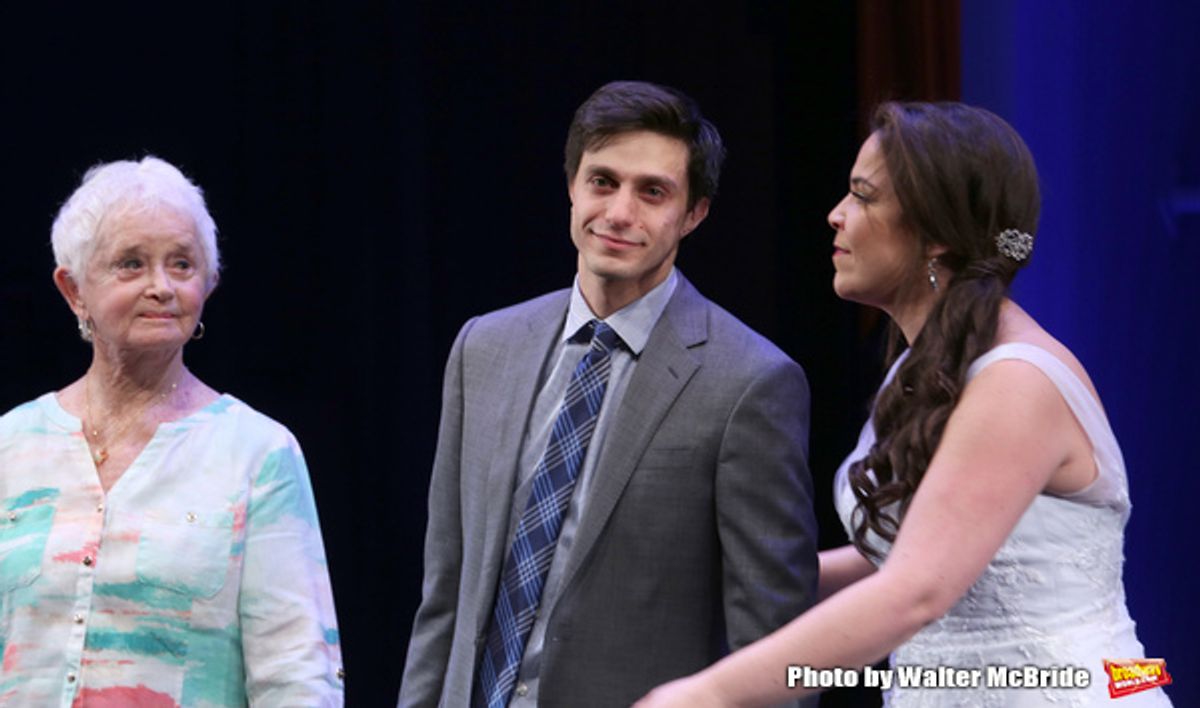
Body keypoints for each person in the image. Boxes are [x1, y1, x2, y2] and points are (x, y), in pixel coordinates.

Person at [636, 102, 1173, 706]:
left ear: (936, 234)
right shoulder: (926, 368)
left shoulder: (1017, 383)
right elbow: (908, 557)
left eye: (863, 197)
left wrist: (706, 694)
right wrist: (742, 576)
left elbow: (915, 590)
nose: (836, 216)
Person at [398, 80, 818, 708]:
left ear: (695, 213)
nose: (620, 213)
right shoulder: (483, 348)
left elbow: (774, 643)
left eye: (653, 192)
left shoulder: (750, 382)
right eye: (602, 181)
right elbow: (446, 594)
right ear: (572, 186)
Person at [0, 157, 344, 706]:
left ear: (208, 283)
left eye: (182, 265)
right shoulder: (10, 447)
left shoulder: (257, 454)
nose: (161, 287)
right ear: (73, 290)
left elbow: (297, 676)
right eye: (131, 264)